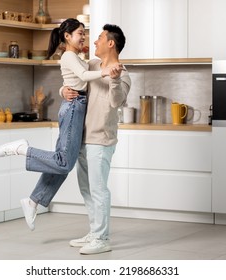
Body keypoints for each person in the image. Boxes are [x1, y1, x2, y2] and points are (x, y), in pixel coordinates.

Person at [0, 18, 121, 231]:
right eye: (81, 33)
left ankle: (34, 201)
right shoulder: (69, 55)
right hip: (73, 109)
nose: (85, 37)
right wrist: (105, 72)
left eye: (86, 33)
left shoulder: (80, 57)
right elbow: (82, 76)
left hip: (76, 106)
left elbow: (74, 79)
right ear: (67, 36)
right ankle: (23, 150)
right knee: (64, 162)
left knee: (62, 164)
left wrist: (64, 88)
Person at [62, 24, 131, 255]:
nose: (94, 41)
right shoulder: (91, 65)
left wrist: (115, 79)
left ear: (110, 43)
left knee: (99, 189)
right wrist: (64, 90)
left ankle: (102, 239)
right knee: (87, 189)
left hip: (101, 139)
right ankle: (94, 232)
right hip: (81, 136)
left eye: (99, 37)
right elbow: (76, 79)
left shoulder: (124, 73)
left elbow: (116, 102)